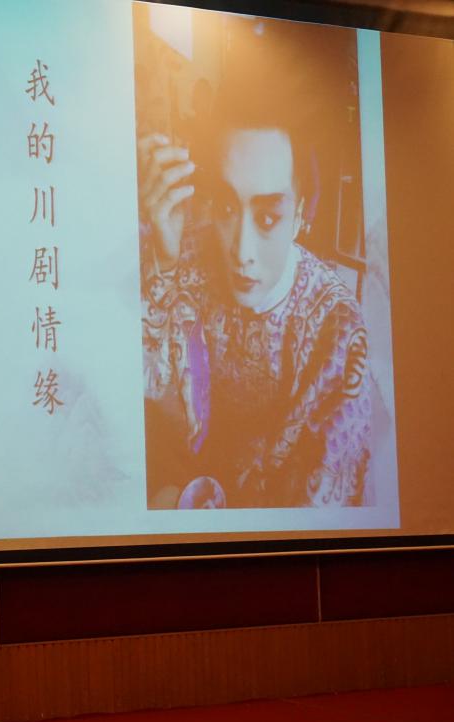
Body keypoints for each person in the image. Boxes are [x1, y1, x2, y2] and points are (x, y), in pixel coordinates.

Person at [137, 81, 371, 509]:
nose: (241, 252)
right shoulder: (189, 251)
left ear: (300, 215)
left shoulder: (337, 329)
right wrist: (164, 259)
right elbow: (146, 394)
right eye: (227, 208)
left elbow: (320, 503)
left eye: (267, 218)